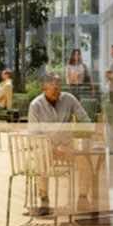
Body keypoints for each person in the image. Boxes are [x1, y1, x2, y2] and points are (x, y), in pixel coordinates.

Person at [26, 73, 92, 215]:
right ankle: (44, 201)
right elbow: (34, 136)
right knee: (40, 158)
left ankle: (82, 198)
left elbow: (85, 120)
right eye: (54, 88)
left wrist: (87, 132)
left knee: (84, 160)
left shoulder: (69, 99)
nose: (58, 91)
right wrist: (52, 147)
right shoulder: (35, 106)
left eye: (59, 88)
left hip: (67, 148)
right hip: (46, 149)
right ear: (44, 87)